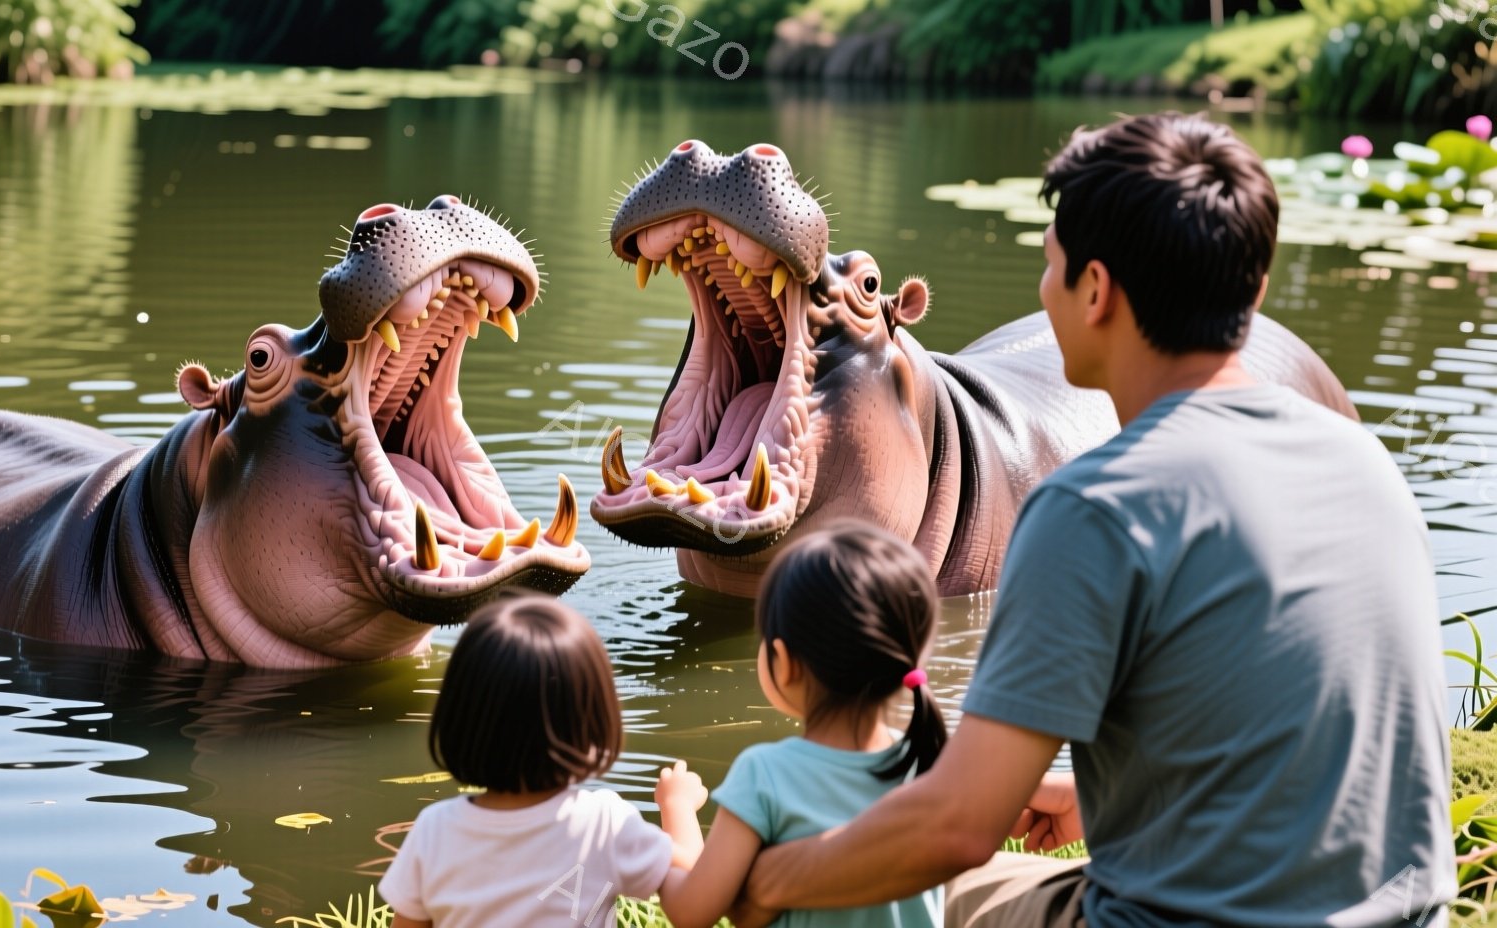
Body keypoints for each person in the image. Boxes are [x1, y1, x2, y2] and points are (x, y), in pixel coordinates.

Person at [742, 111, 1454, 926]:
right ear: (1253, 288)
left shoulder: (1094, 505)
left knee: (913, 897)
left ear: (1096, 291)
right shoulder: (1364, 462)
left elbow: (956, 828)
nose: (1042, 293)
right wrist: (1090, 787)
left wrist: (768, 879)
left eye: (1049, 266)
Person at [653, 521, 947, 928]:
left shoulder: (765, 775)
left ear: (784, 662)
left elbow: (691, 910)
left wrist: (676, 810)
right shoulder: (931, 764)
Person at [379, 593, 709, 928]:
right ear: (592, 722)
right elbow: (695, 901)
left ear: (459, 720)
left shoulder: (435, 830)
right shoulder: (603, 823)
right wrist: (677, 805)